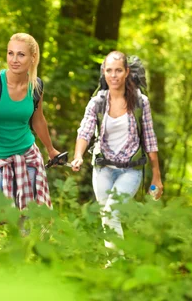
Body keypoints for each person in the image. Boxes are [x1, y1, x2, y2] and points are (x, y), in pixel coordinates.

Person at [0, 33, 60, 260]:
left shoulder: (36, 87)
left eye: (21, 54)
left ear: (32, 58)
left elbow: (38, 121)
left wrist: (51, 149)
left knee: (29, 216)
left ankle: (24, 270)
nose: (14, 59)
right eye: (10, 53)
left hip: (27, 156)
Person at [70, 51, 163, 251]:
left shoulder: (140, 102)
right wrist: (78, 156)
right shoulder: (97, 102)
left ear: (127, 72)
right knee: (107, 216)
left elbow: (149, 138)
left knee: (111, 213)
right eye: (109, 71)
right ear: (104, 73)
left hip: (131, 170)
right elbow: (84, 131)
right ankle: (113, 262)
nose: (113, 75)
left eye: (118, 70)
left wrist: (156, 176)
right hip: (103, 168)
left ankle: (116, 264)